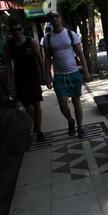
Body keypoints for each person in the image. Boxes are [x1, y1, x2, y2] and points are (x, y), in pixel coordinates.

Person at [43, 11, 92, 139]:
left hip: (74, 73)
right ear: (50, 21)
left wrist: (86, 71)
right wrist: (48, 76)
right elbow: (47, 59)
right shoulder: (47, 38)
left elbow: (80, 54)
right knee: (62, 102)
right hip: (59, 76)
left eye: (56, 16)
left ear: (61, 18)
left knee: (76, 101)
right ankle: (70, 120)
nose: (54, 19)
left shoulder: (71, 34)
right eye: (52, 17)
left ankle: (80, 128)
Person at [6, 17, 46, 142]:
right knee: (25, 103)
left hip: (33, 76)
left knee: (36, 103)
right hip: (19, 78)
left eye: (18, 29)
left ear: (22, 30)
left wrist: (44, 75)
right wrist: (10, 83)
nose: (17, 32)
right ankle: (36, 121)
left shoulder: (31, 42)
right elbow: (9, 65)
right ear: (11, 32)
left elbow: (39, 59)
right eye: (14, 30)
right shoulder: (9, 45)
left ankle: (39, 130)